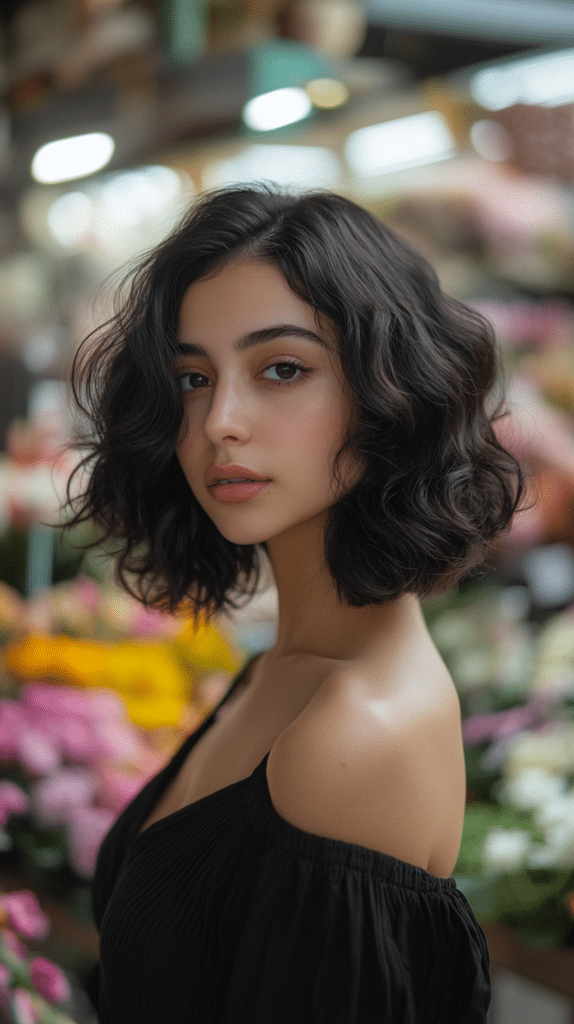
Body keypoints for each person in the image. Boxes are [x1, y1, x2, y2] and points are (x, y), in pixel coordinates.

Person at [62, 183, 527, 1023]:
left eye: (283, 369)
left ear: (389, 393)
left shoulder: (356, 731)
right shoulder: (291, 665)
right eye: (193, 377)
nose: (219, 423)